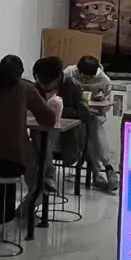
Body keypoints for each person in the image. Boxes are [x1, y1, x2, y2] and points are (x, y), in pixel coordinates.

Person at [0, 54, 54, 231]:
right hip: (14, 162)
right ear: (19, 73)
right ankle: (1, 221)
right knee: (16, 163)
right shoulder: (25, 88)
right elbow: (48, 119)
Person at [32, 56, 90, 186]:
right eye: (40, 81)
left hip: (66, 139)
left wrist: (58, 110)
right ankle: (46, 177)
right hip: (40, 138)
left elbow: (85, 114)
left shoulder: (72, 86)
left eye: (47, 83)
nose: (44, 86)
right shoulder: (36, 88)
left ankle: (46, 176)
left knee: (46, 133)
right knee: (36, 135)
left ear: (58, 77)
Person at [65, 55, 119, 193]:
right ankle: (107, 169)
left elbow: (105, 107)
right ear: (78, 70)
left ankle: (98, 172)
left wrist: (99, 100)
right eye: (83, 77)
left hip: (93, 115)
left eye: (89, 78)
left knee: (92, 131)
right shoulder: (69, 73)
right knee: (92, 132)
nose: (86, 80)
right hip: (73, 114)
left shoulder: (104, 80)